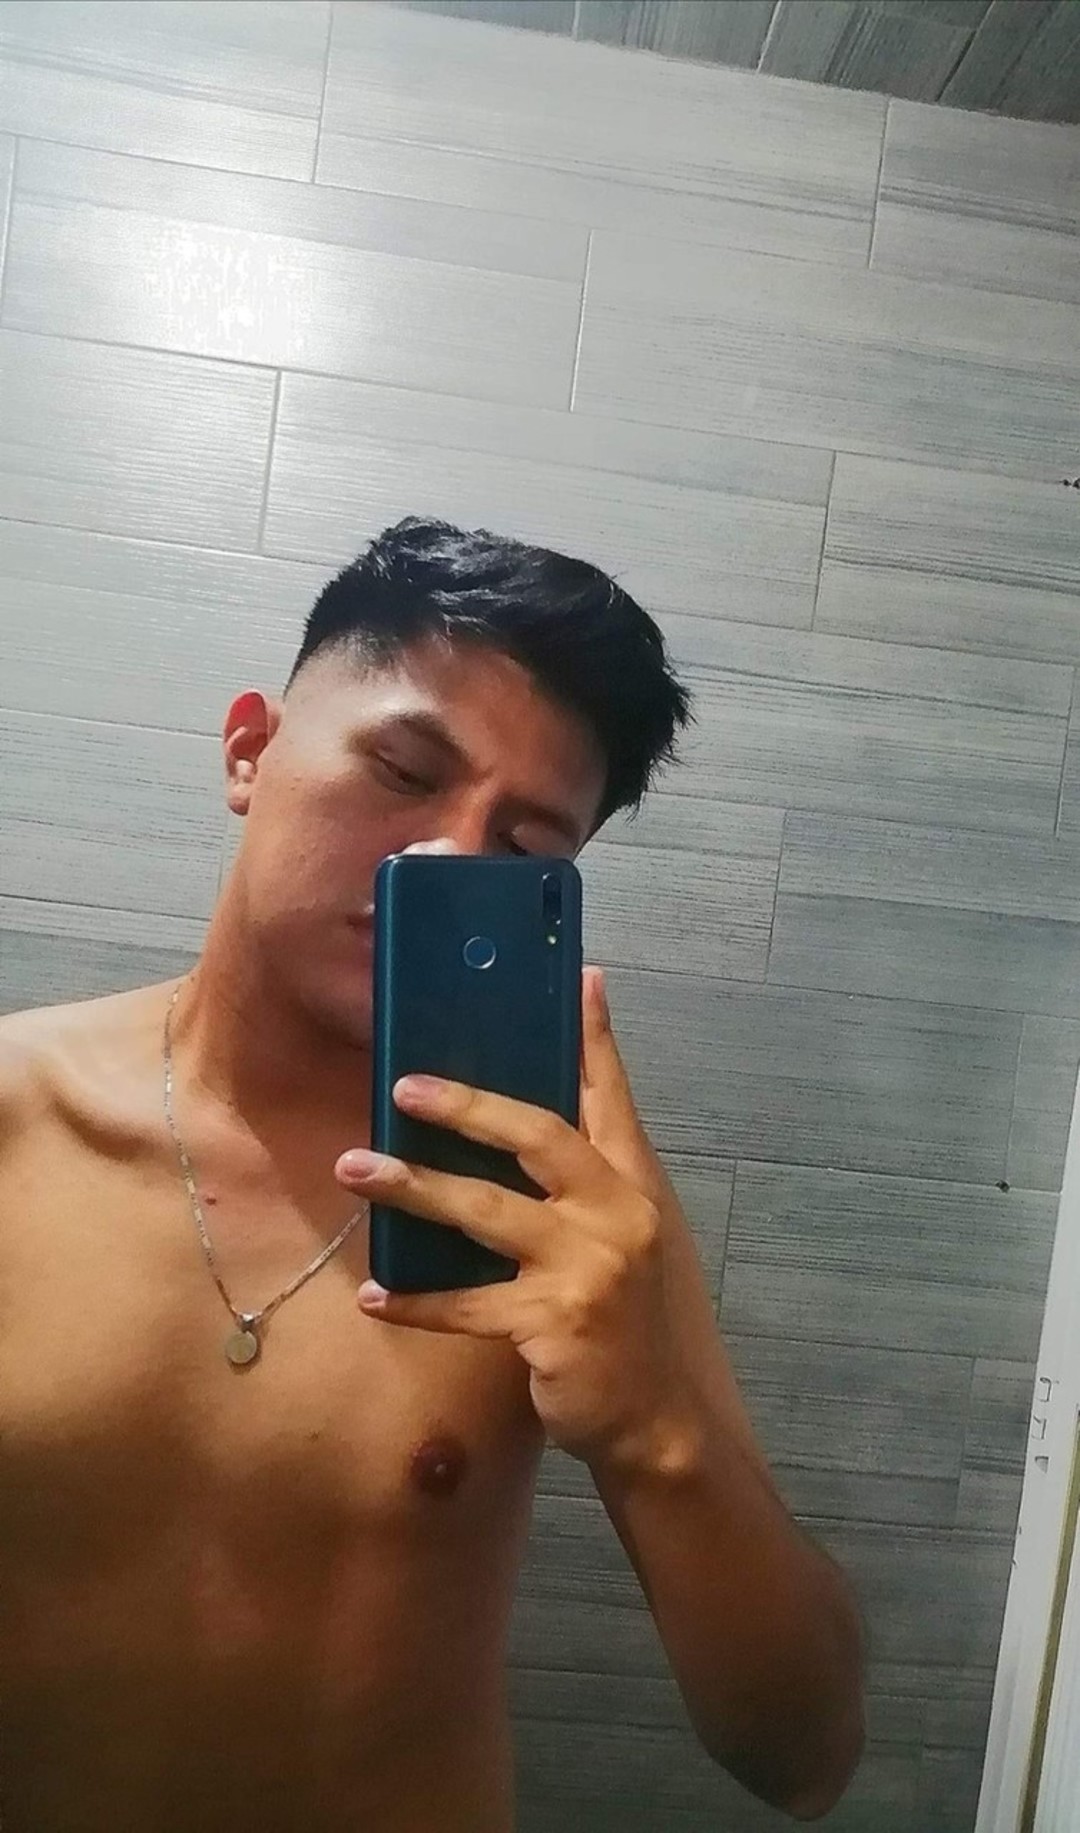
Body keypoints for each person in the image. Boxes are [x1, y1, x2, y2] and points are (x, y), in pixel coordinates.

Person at [0, 518, 864, 1831]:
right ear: (250, 750)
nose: (450, 857)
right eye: (405, 771)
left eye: (524, 850)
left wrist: (654, 1431)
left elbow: (805, 1758)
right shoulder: (14, 1115)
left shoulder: (561, 1200)